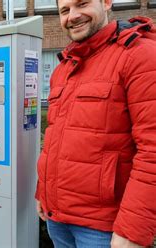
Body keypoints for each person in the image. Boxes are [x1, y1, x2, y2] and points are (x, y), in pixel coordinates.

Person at [35, 0, 156, 247]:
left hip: (104, 230)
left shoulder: (139, 55)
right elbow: (55, 138)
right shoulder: (63, 68)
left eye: (82, 4)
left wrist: (132, 231)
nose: (73, 16)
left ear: (107, 2)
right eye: (65, 10)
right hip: (57, 221)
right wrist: (43, 193)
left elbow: (153, 151)